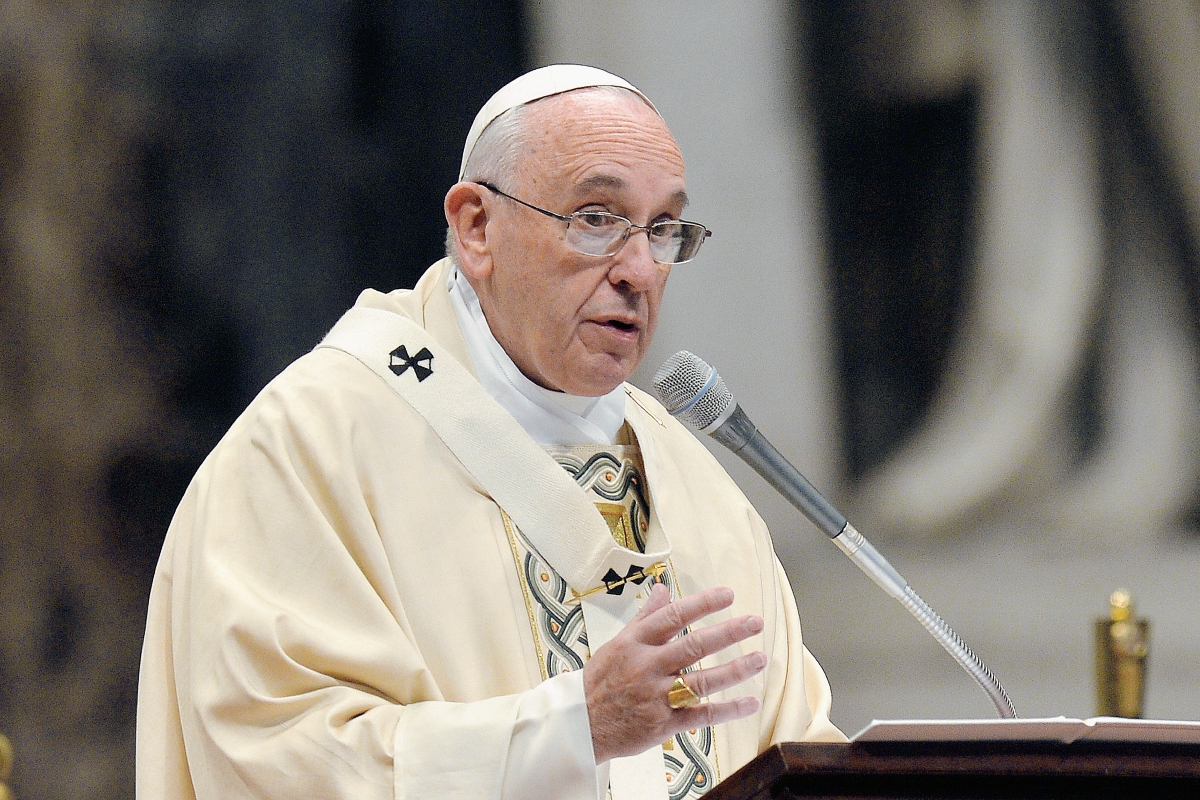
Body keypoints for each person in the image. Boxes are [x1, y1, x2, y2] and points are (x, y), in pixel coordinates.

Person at [136, 64, 844, 800]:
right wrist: (575, 730)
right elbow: (275, 756)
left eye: (663, 230)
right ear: (477, 226)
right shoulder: (312, 445)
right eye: (598, 218)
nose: (639, 269)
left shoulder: (700, 493)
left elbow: (797, 752)